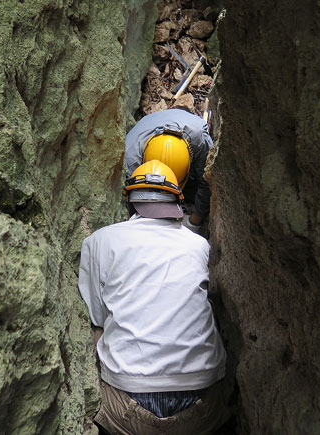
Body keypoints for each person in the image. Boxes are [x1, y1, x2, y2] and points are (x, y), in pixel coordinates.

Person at [78, 160, 228, 434]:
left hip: (128, 404)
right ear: (178, 204)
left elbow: (96, 315)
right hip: (201, 402)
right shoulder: (199, 245)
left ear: (129, 203)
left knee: (100, 330)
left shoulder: (99, 241)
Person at [125, 108, 213, 233]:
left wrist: (194, 221)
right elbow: (131, 199)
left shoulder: (200, 139)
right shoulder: (131, 162)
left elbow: (207, 180)